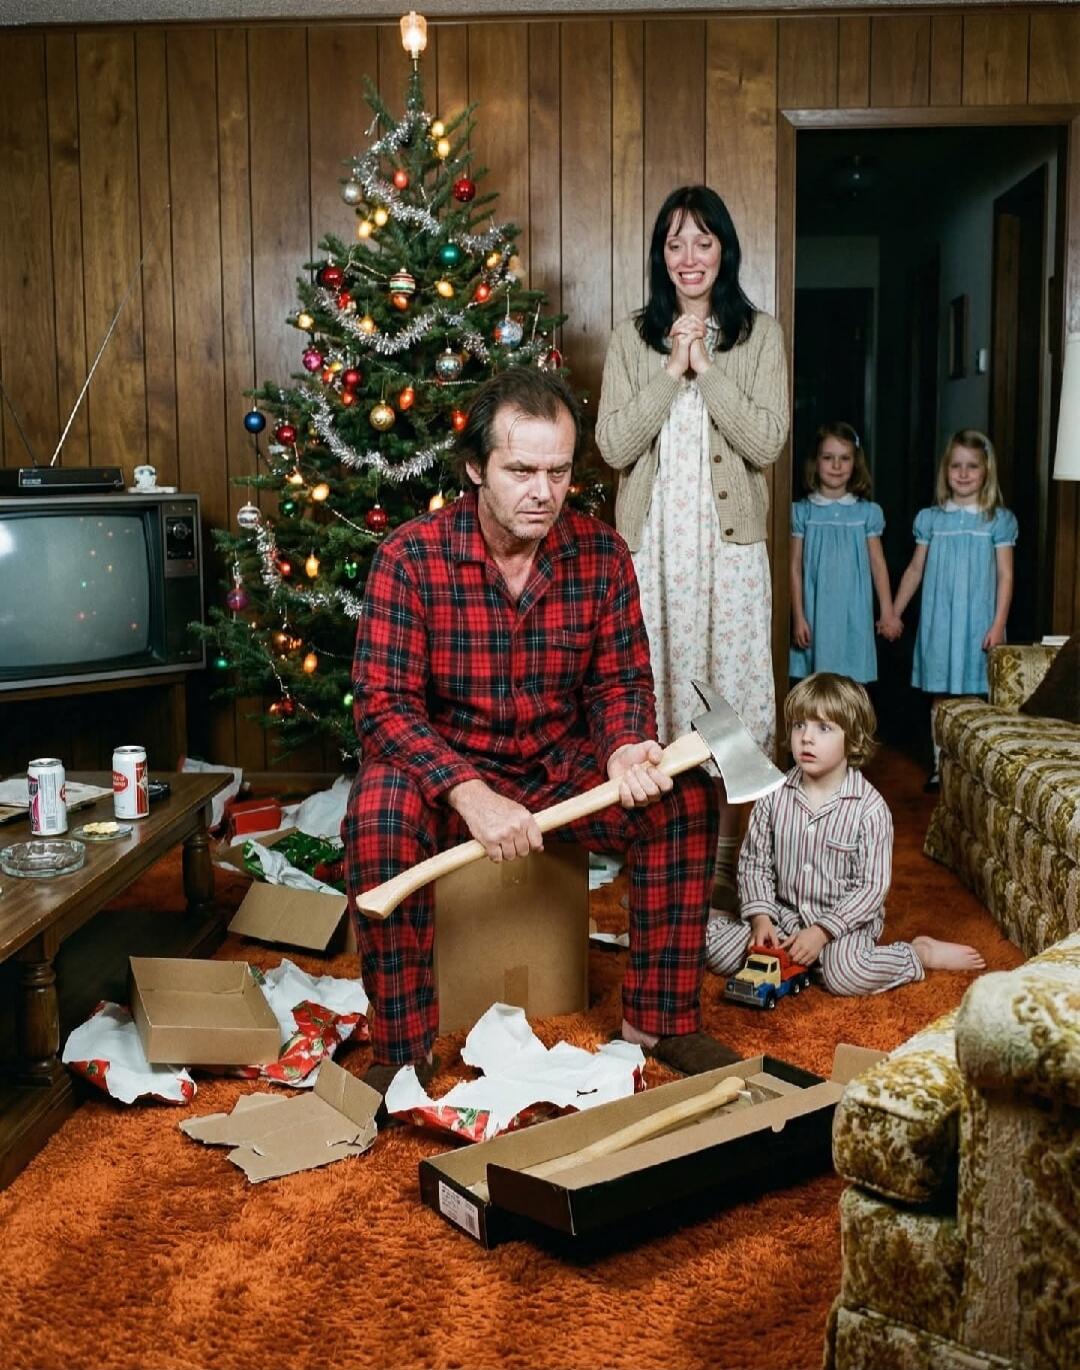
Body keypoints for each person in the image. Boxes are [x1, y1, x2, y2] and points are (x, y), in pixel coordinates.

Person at [342, 367, 737, 1101]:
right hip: (450, 764)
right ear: (474, 468)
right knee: (376, 815)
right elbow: (384, 707)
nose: (543, 492)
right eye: (521, 470)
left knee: (683, 800)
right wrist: (467, 792)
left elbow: (620, 684)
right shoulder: (409, 556)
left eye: (558, 471)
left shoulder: (602, 554)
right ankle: (400, 1048)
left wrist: (625, 746)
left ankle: (659, 1022)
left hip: (559, 758)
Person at [596, 185, 789, 913]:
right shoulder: (630, 338)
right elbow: (615, 444)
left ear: (724, 251)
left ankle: (731, 862)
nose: (688, 258)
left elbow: (766, 442)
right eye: (674, 243)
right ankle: (661, 858)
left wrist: (706, 368)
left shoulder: (759, 335)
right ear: (661, 255)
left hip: (728, 547)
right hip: (655, 548)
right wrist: (669, 368)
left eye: (702, 242)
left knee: (733, 699)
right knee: (660, 693)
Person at [705, 672, 985, 990]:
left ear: (852, 740)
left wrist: (821, 932)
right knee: (718, 950)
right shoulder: (773, 797)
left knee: (845, 974)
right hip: (782, 917)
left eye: (823, 728)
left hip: (843, 924)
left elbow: (871, 888)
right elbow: (755, 865)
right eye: (800, 725)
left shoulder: (870, 809)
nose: (806, 737)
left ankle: (917, 954)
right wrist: (761, 918)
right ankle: (779, 951)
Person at [882, 429, 1017, 788]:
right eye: (956, 465)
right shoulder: (931, 519)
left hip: (978, 622)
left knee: (977, 693)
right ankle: (942, 766)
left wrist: (998, 623)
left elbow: (1005, 575)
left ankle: (972, 768)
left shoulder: (997, 520)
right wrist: (893, 612)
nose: (963, 473)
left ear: (986, 471)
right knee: (940, 695)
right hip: (940, 622)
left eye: (972, 466)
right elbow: (914, 570)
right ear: (945, 470)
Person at [790, 422, 899, 684]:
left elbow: (878, 563)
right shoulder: (803, 512)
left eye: (844, 459)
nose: (836, 466)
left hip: (854, 613)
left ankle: (848, 727)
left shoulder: (866, 513)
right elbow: (793, 566)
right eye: (828, 458)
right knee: (818, 688)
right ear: (816, 462)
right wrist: (798, 616)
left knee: (851, 686)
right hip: (816, 614)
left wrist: (887, 611)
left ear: (855, 463)